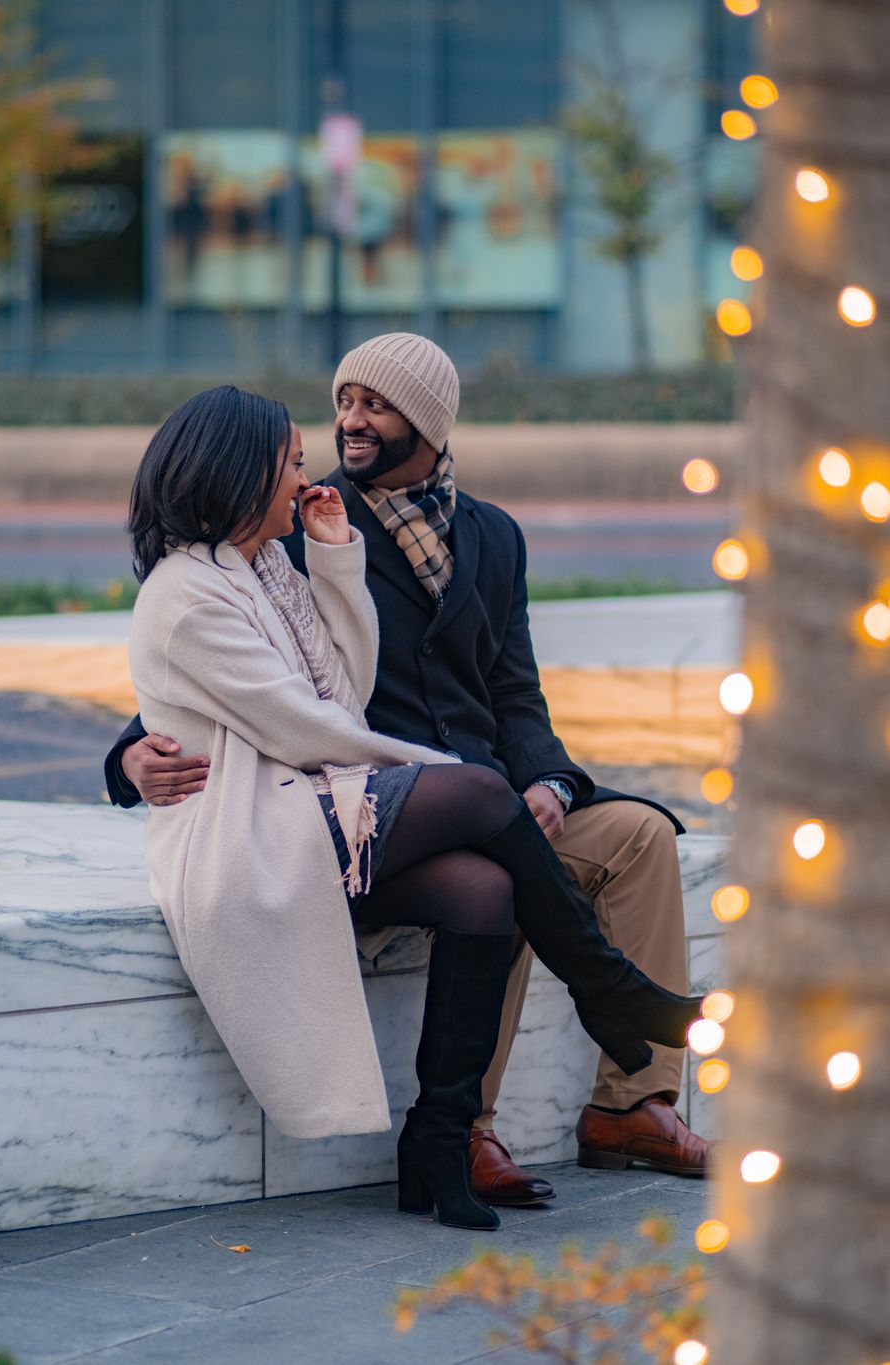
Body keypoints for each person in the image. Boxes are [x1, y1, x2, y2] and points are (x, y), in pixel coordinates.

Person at [108, 336, 714, 1205]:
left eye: (373, 405)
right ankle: (484, 1118)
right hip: (376, 796)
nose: (348, 422)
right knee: (484, 838)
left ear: (426, 422)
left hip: (466, 793)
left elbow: (513, 693)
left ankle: (635, 1103)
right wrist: (131, 754)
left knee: (638, 834)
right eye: (342, 401)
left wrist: (550, 784)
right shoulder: (286, 539)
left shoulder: (488, 537)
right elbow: (239, 698)